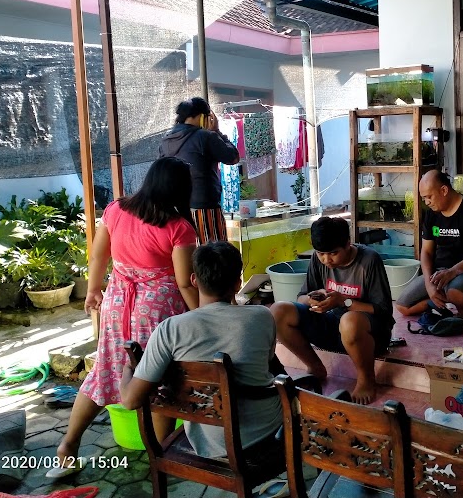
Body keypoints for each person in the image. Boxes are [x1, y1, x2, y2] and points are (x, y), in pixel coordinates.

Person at [47, 157, 198, 479]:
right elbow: (184, 281)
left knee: (105, 371)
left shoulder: (116, 210)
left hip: (117, 302)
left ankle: (68, 446)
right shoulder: (178, 227)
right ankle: (162, 458)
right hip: (157, 309)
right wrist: (203, 314)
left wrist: (92, 290)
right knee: (159, 378)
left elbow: (98, 253)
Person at [120, 242, 284, 462]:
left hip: (212, 445)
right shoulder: (262, 316)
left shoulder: (170, 330)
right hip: (268, 433)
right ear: (237, 283)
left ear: (194, 281)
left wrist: (128, 369)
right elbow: (268, 365)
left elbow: (130, 401)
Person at [269, 217, 393, 405]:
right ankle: (315, 367)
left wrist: (344, 302)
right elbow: (301, 297)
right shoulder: (318, 260)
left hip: (369, 335)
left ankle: (366, 378)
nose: (327, 260)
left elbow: (383, 310)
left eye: (334, 253)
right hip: (332, 327)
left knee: (349, 321)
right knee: (278, 311)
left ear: (347, 244)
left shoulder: (369, 260)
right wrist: (312, 298)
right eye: (321, 254)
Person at [395, 170, 463, 318]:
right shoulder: (431, 214)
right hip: (440, 272)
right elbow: (427, 252)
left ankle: (462, 309)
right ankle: (441, 302)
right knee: (402, 306)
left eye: (429, 197)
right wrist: (429, 286)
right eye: (423, 198)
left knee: (455, 292)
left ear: (444, 190)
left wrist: (453, 271)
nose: (427, 202)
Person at [159, 96, 240, 244]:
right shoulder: (205, 136)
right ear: (203, 116)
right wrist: (217, 131)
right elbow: (233, 157)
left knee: (187, 252)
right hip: (204, 207)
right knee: (214, 255)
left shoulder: (166, 140)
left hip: (174, 209)